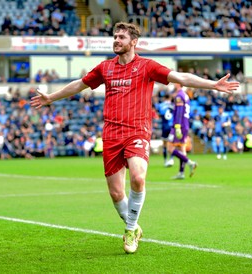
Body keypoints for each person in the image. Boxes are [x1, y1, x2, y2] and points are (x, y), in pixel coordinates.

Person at [30, 22, 239, 254]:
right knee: (117, 193)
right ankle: (134, 226)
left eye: (121, 37)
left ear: (134, 42)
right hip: (111, 134)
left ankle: (130, 230)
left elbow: (181, 76)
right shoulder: (104, 68)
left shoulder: (147, 66)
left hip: (137, 131)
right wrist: (51, 97)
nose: (116, 40)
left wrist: (213, 85)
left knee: (138, 178)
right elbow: (80, 85)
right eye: (115, 37)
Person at [166, 83, 197, 179]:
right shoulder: (185, 95)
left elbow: (179, 112)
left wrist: (177, 126)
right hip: (185, 124)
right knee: (182, 149)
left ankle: (190, 162)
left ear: (178, 84)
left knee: (170, 148)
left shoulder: (179, 96)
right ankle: (181, 172)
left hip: (179, 125)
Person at [157, 93, 174, 166]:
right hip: (172, 126)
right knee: (172, 144)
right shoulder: (173, 105)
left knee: (164, 144)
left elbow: (160, 114)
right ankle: (171, 159)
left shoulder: (161, 105)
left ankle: (165, 161)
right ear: (170, 98)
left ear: (164, 98)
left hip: (164, 126)